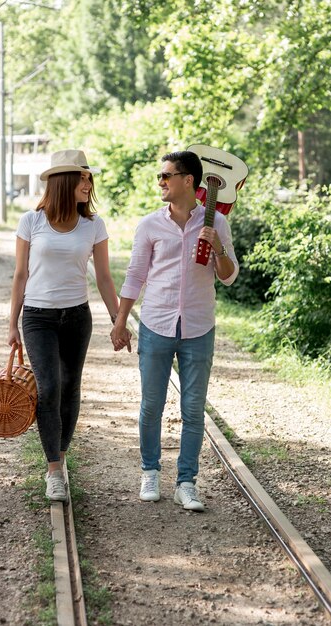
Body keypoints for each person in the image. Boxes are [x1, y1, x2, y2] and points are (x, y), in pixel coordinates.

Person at [111, 150, 239, 511]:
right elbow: (135, 274)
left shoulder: (216, 223)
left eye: (167, 176)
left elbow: (229, 277)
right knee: (151, 405)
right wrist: (121, 321)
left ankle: (186, 482)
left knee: (194, 409)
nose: (161, 182)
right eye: (160, 176)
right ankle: (150, 471)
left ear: (189, 182)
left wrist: (217, 247)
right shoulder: (150, 224)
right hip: (156, 324)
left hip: (199, 326)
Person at [8, 149, 126, 502]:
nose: (89, 184)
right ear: (65, 182)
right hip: (38, 317)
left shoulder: (94, 225)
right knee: (48, 388)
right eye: (83, 178)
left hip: (77, 316)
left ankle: (60, 453)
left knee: (70, 387)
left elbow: (104, 278)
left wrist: (118, 320)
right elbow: (20, 275)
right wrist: (11, 324)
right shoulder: (31, 221)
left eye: (89, 178)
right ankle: (54, 471)